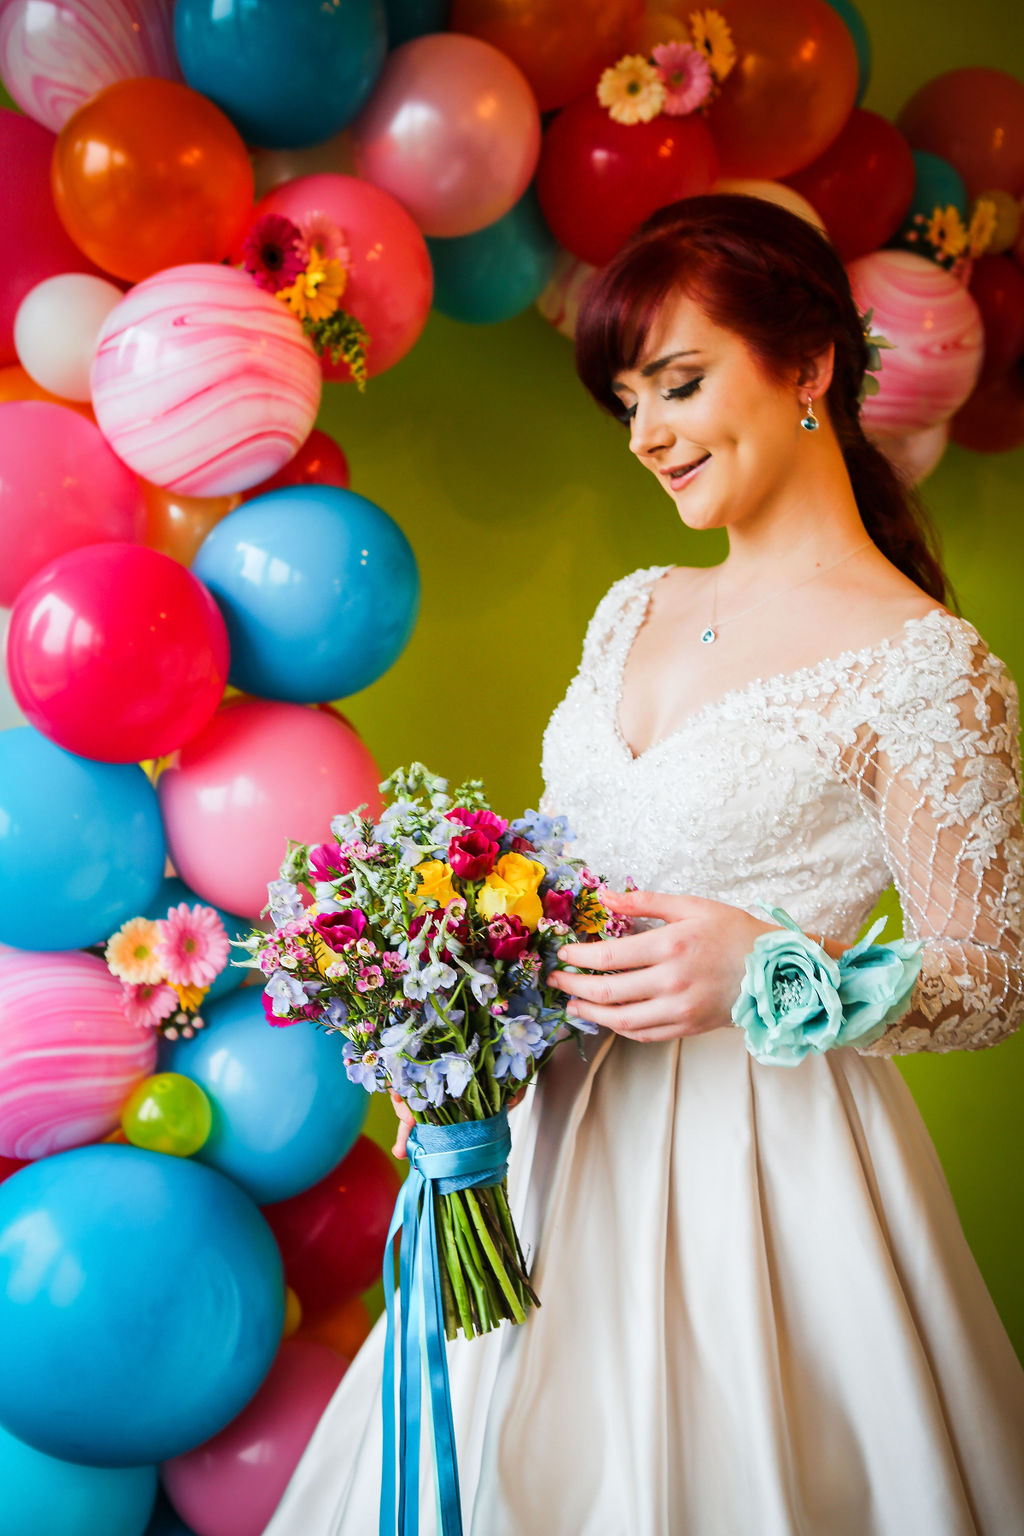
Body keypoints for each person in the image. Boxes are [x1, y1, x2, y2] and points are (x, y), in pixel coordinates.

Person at [264, 195, 1024, 1536]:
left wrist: (771, 971)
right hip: (545, 1143)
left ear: (809, 365)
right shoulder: (636, 610)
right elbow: (569, 869)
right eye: (628, 401)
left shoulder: (925, 666)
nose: (648, 436)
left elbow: (996, 973)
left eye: (677, 383)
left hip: (764, 1179)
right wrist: (458, 973)